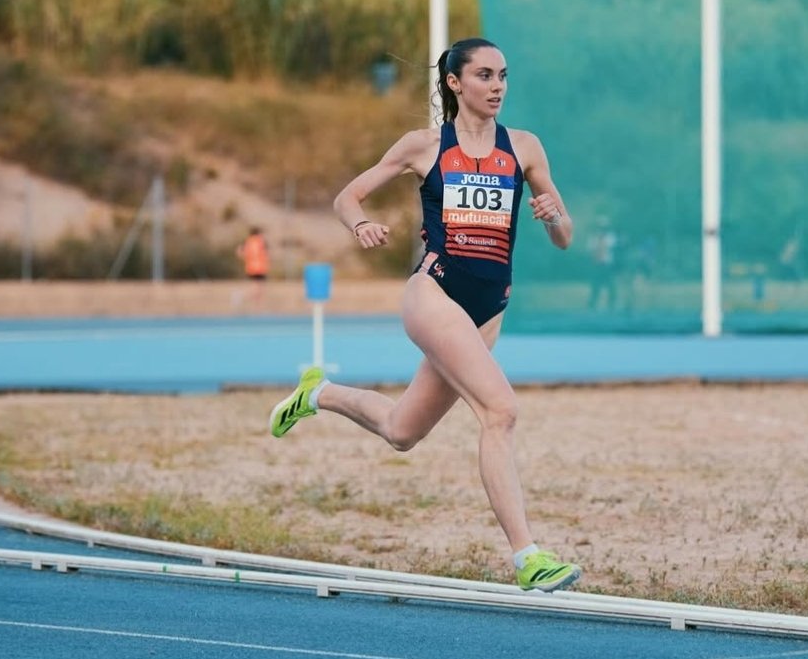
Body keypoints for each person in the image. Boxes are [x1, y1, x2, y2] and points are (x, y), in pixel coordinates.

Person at [269, 38, 581, 592]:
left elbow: (564, 238)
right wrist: (360, 224)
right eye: (484, 75)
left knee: (402, 431)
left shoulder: (525, 147)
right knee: (500, 411)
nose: (498, 86)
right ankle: (528, 557)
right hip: (433, 295)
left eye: (503, 75)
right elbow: (347, 197)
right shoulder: (425, 145)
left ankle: (319, 393)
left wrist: (553, 215)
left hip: (488, 310)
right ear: (455, 83)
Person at [234, 226, 269, 310]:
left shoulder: (248, 241)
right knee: (258, 289)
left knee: (257, 289)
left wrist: (246, 258)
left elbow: (239, 252)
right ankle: (242, 297)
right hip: (259, 268)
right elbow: (266, 253)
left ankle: (256, 306)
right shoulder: (260, 242)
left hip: (251, 268)